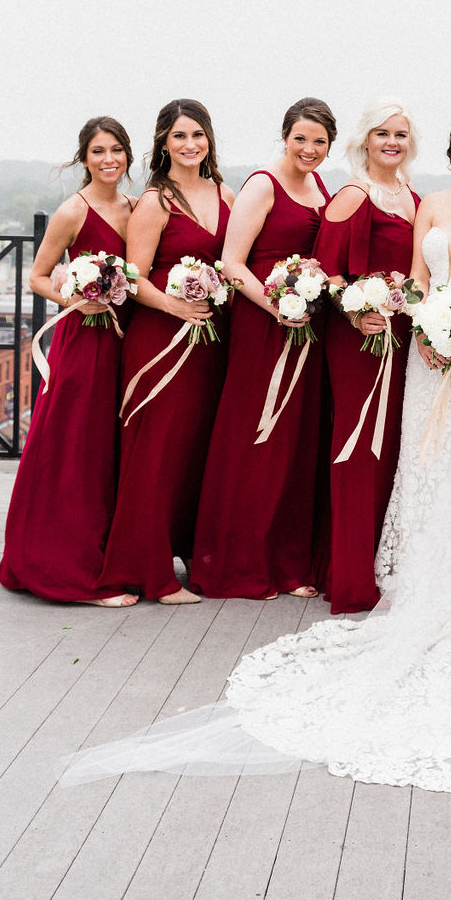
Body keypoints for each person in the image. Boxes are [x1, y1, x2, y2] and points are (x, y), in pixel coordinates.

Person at [59, 110, 451, 791]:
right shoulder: (433, 204)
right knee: (422, 461)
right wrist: (428, 323)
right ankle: (414, 578)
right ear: (450, 153)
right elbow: (417, 280)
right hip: (426, 351)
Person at [191, 98, 335, 599]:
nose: (309, 149)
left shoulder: (319, 185)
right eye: (301, 139)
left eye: (319, 141)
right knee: (256, 437)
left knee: (296, 443)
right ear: (284, 136)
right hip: (264, 325)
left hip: (307, 328)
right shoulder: (261, 184)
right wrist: (278, 307)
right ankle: (240, 563)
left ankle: (288, 563)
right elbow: (232, 262)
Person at [0, 118, 138, 606]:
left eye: (117, 150)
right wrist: (78, 293)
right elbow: (37, 276)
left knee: (114, 451)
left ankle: (112, 555)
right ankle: (70, 567)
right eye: (98, 151)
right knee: (77, 448)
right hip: (84, 341)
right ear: (84, 158)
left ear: (128, 156)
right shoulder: (71, 212)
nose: (108, 160)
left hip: (128, 342)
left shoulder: (135, 207)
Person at [100, 100, 233, 603]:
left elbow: (237, 260)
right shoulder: (155, 201)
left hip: (208, 344)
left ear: (209, 139)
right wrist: (175, 308)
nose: (189, 144)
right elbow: (131, 276)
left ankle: (186, 550)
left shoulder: (227, 193)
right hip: (160, 340)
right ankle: (148, 571)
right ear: (162, 143)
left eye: (197, 134)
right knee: (154, 452)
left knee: (192, 450)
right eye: (179, 136)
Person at [312, 99, 419, 614]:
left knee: (392, 451)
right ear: (365, 141)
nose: (391, 142)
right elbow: (327, 272)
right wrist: (356, 313)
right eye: (381, 133)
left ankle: (382, 562)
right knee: (358, 449)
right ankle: (351, 577)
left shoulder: (414, 198)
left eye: (400, 134)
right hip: (360, 340)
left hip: (403, 341)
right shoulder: (353, 196)